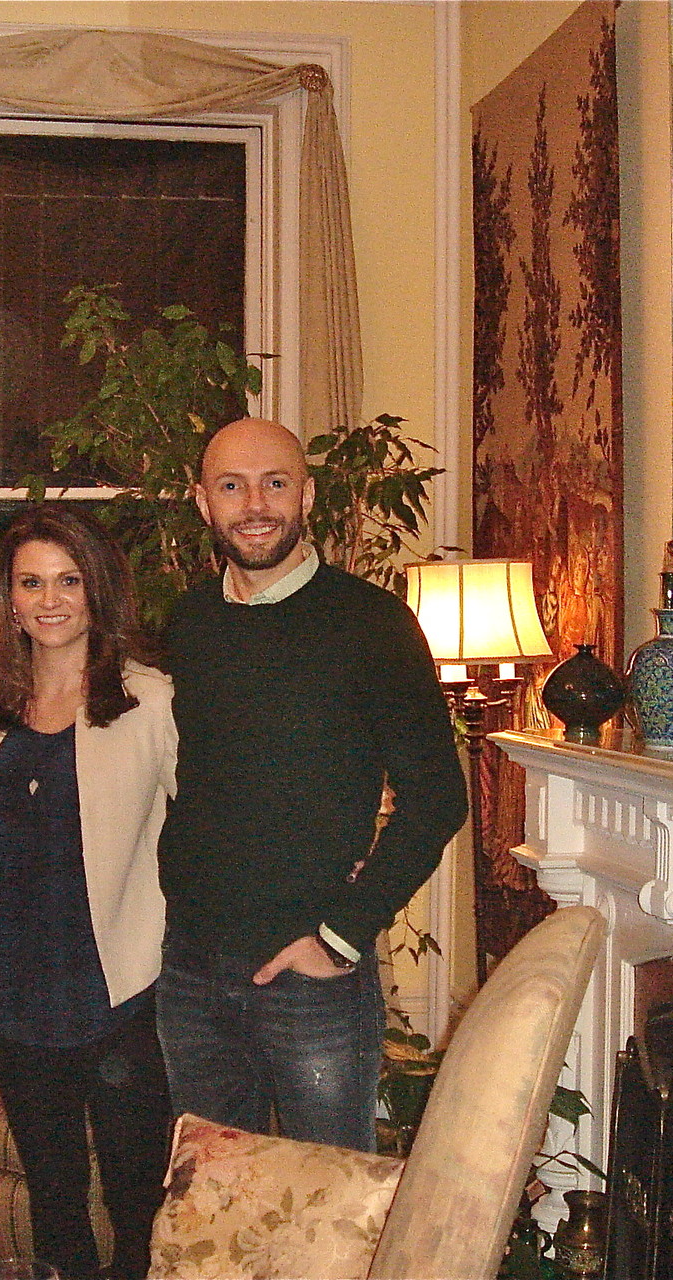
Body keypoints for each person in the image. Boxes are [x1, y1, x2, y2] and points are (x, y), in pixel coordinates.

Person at [156, 417, 468, 1152]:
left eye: (275, 483)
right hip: (191, 971)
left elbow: (439, 798)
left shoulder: (373, 625)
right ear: (203, 503)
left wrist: (342, 934)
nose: (255, 504)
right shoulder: (191, 622)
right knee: (212, 1213)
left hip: (313, 982)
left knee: (325, 1216)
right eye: (232, 486)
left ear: (309, 494)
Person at [0, 506, 175, 1280]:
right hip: (11, 985)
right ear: (9, 599)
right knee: (52, 1191)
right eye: (31, 582)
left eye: (68, 581)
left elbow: (203, 828)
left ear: (97, 590)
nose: (50, 600)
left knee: (135, 1193)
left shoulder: (149, 699)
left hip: (116, 986)